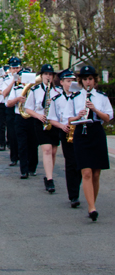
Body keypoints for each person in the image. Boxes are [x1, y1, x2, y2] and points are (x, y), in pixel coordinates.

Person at [69, 65, 113, 221]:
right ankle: (91, 207)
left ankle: (92, 202)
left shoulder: (101, 97)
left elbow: (108, 118)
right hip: (81, 133)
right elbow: (68, 118)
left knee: (95, 173)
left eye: (90, 79)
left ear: (95, 81)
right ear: (81, 81)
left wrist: (95, 109)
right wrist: (78, 116)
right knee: (86, 171)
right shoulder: (75, 97)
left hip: (96, 132)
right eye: (85, 79)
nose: (88, 82)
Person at [48, 69, 82, 207]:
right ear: (61, 82)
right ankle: (73, 195)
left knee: (80, 162)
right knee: (71, 162)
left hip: (80, 131)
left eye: (73, 81)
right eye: (68, 81)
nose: (71, 84)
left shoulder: (80, 97)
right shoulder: (56, 100)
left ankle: (78, 186)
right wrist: (62, 126)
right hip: (66, 131)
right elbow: (52, 118)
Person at [24, 63, 60, 193]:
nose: (48, 77)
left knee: (53, 151)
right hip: (40, 122)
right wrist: (38, 116)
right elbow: (28, 108)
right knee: (47, 149)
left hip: (54, 122)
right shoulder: (35, 90)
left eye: (50, 74)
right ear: (42, 75)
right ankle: (50, 179)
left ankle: (48, 174)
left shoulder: (58, 91)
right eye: (46, 74)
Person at [6, 68, 38, 179]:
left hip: (32, 118)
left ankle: (32, 167)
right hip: (20, 117)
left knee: (33, 144)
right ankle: (24, 170)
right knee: (22, 144)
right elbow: (8, 103)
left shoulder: (35, 89)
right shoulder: (16, 89)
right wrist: (17, 99)